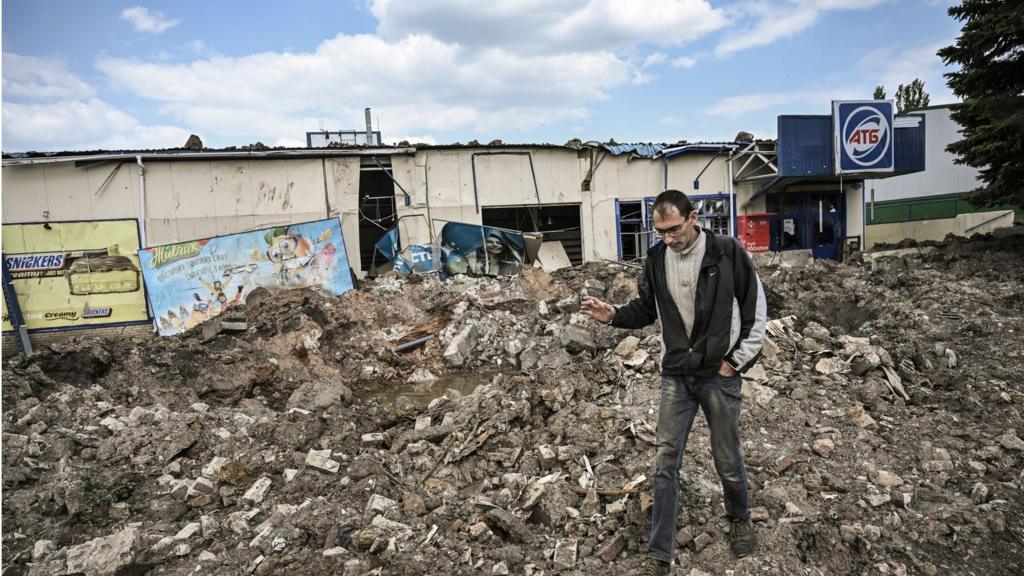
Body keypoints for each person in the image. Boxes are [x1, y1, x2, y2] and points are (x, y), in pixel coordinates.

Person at [581, 189, 767, 574]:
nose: (668, 238)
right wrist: (612, 315)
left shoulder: (726, 251)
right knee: (666, 461)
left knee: (727, 457)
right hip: (677, 374)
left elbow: (755, 310)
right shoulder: (656, 258)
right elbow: (646, 309)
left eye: (674, 229)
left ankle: (739, 519)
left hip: (718, 375)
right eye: (660, 232)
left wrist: (735, 363)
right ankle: (660, 553)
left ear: (693, 217)